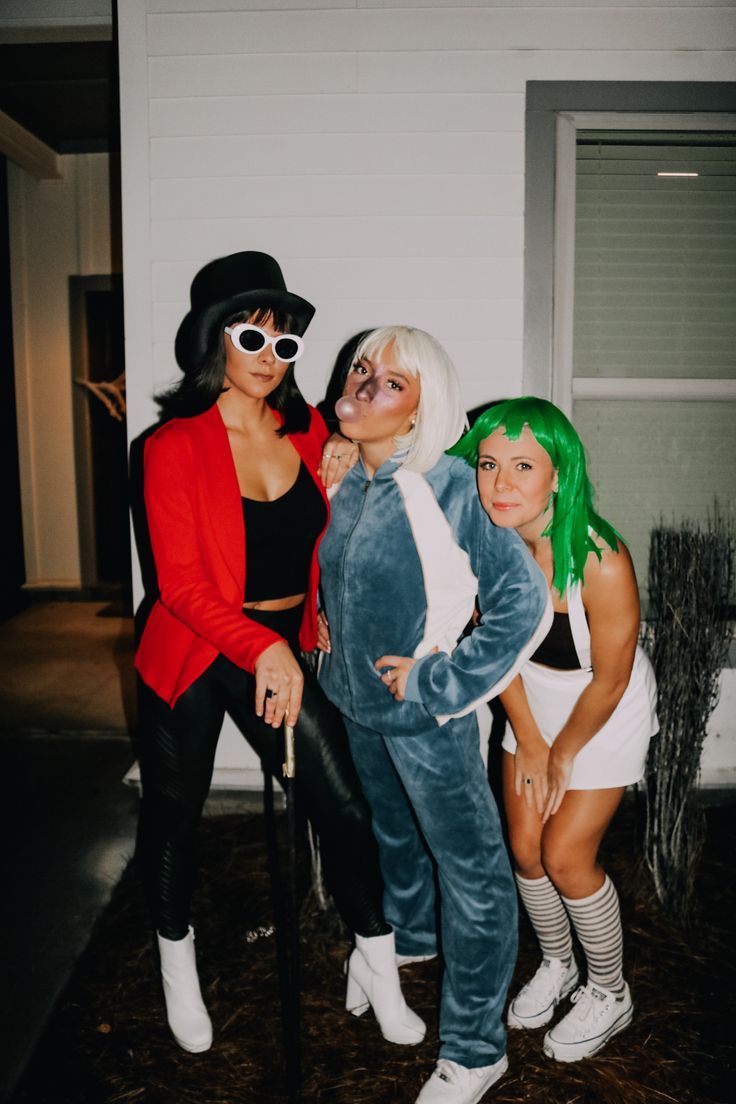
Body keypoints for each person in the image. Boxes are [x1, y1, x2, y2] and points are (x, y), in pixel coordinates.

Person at [134, 252, 423, 1054]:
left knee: (343, 806)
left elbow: (369, 497)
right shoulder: (171, 446)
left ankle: (377, 966)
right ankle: (176, 963)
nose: (268, 357)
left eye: (284, 343)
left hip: (281, 651)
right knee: (175, 814)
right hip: (195, 650)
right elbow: (181, 587)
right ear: (213, 343)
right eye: (250, 336)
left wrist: (344, 459)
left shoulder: (311, 433)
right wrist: (265, 647)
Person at [316, 327, 551, 1104]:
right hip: (357, 709)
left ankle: (477, 1049)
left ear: (423, 408)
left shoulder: (447, 485)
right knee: (393, 843)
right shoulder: (348, 474)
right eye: (361, 370)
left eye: (390, 380)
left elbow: (523, 603)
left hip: (429, 721)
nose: (365, 384)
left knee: (475, 876)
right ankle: (409, 949)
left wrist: (442, 682)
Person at [448, 396, 657, 1063]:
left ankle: (609, 990)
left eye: (523, 465)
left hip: (602, 708)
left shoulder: (601, 558)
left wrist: (561, 752)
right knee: (526, 849)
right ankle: (559, 963)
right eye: (487, 463)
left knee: (567, 855)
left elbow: (612, 680)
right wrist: (531, 740)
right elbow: (492, 650)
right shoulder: (488, 542)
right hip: (529, 700)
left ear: (559, 475)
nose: (500, 483)